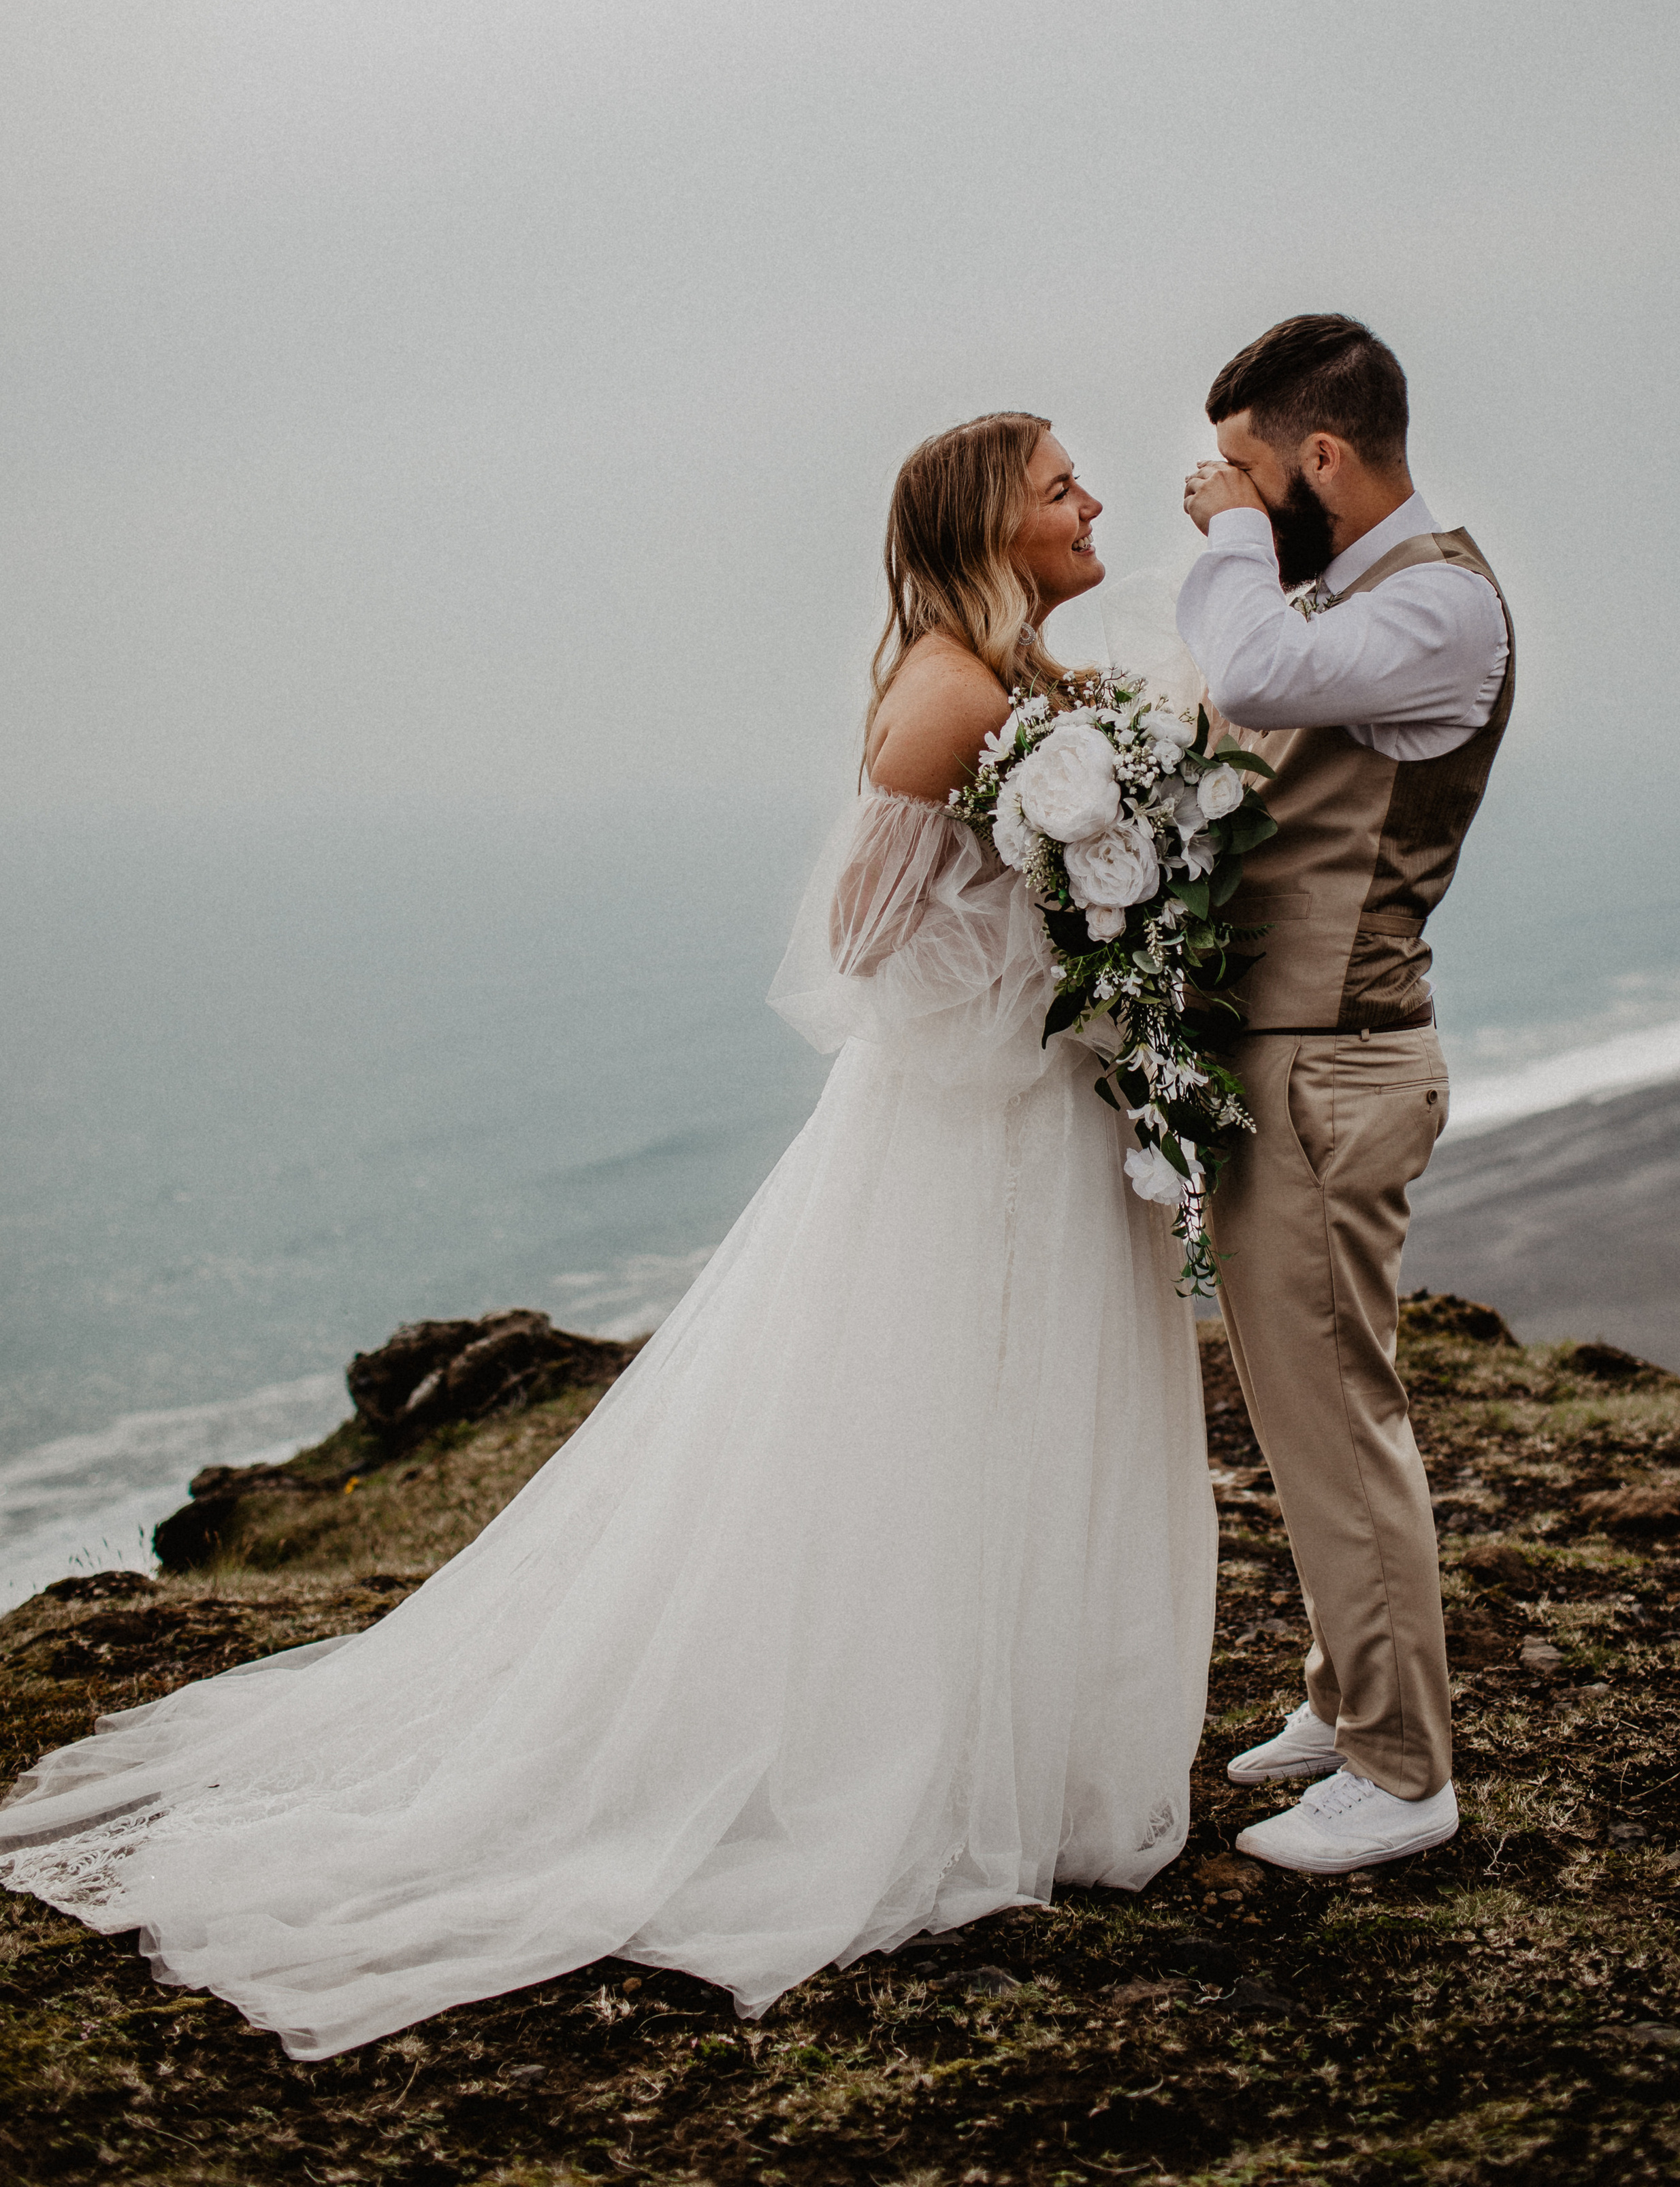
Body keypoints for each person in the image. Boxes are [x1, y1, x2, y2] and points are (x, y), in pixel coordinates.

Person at [0, 412, 1216, 2060]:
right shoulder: (948, 687)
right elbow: (862, 936)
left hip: (1030, 1124)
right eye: (1060, 485)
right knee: (934, 1433)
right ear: (990, 524)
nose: (1091, 503)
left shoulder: (1016, 682)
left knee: (1013, 1429)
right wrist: (1059, 945)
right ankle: (909, 1759)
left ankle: (1022, 1746)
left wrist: (1104, 924)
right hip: (964, 1137)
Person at [1177, 314, 1513, 1875]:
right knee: (1306, 1406)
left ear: (1319, 457)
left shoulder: (1439, 603)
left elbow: (1246, 660)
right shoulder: (1354, 606)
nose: (1219, 496)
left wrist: (1236, 542)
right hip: (1290, 1060)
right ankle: (1347, 1692)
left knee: (1336, 1414)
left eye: (1246, 471)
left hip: (1334, 1062)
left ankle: (1399, 1772)